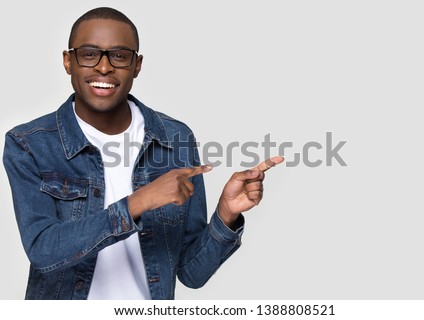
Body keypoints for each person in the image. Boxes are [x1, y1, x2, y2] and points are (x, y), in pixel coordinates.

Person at [2, 7, 284, 300]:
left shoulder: (175, 138)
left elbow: (192, 274)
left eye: (119, 56)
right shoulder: (28, 144)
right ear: (68, 61)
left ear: (136, 65)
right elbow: (43, 250)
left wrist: (226, 215)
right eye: (89, 54)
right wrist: (140, 201)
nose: (103, 67)